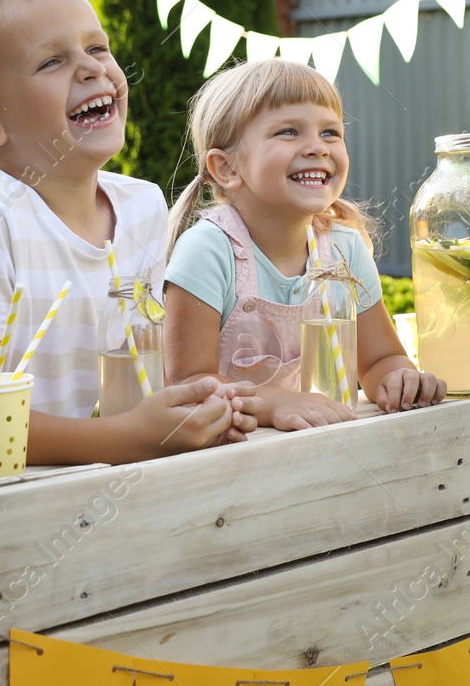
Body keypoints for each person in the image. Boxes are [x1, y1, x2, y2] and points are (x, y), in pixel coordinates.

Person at [0, 0, 259, 464]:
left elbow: (152, 363)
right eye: (51, 61)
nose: (93, 70)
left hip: (120, 487)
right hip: (8, 506)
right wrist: (133, 437)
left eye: (97, 48)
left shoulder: (142, 205)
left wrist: (204, 411)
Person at [163, 58, 446, 430]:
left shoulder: (345, 249)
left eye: (330, 132)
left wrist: (400, 379)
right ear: (227, 168)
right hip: (228, 466)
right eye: (288, 132)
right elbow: (186, 385)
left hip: (324, 454)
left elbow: (380, 361)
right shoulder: (207, 252)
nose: (318, 147)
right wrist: (273, 402)